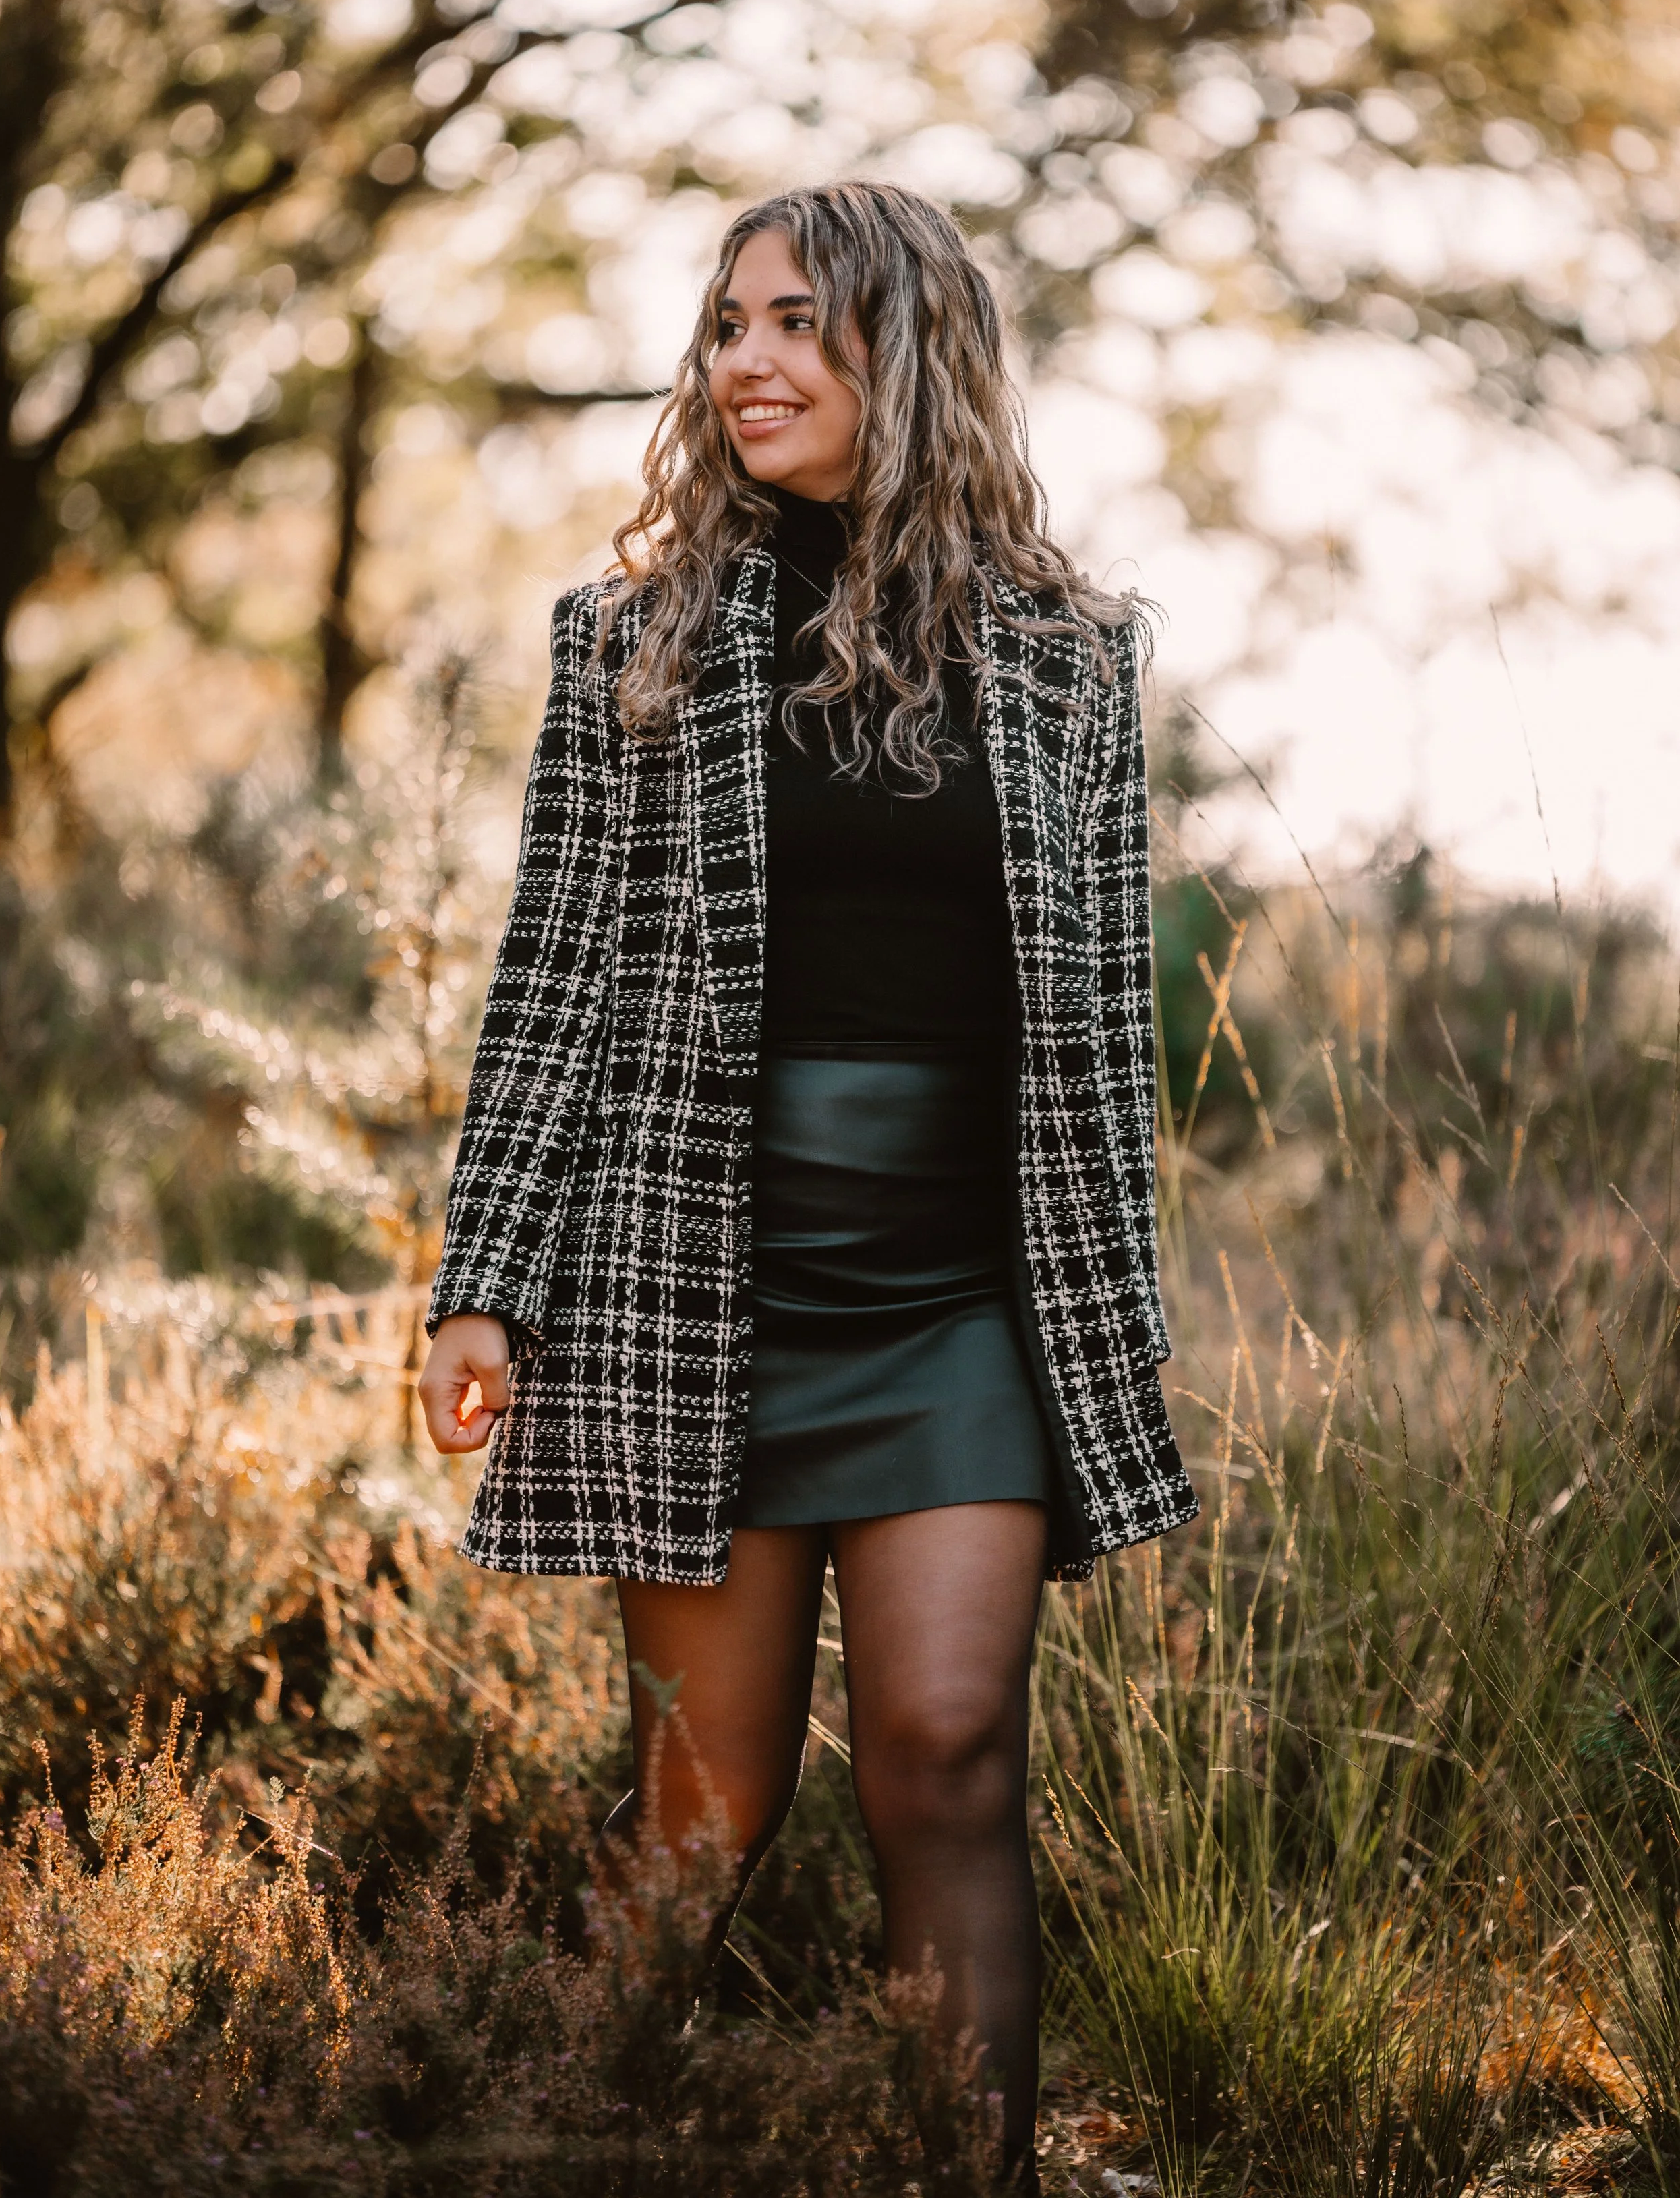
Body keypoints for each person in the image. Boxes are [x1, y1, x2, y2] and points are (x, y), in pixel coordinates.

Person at [419, 180, 1198, 2192]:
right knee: (705, 1809)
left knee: (948, 1751)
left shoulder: (1065, 661)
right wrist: (486, 1275)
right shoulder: (633, 643)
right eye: (726, 324)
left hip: (955, 1304)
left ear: (904, 352)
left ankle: (966, 2173)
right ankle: (537, 2141)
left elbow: (1101, 1033)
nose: (743, 361)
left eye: (794, 323)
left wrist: (1097, 1331)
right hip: (698, 1287)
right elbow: (556, 973)